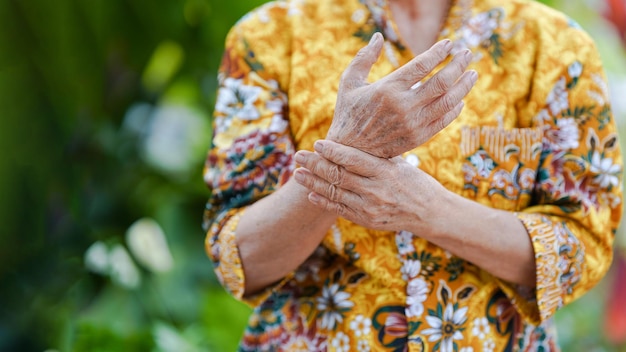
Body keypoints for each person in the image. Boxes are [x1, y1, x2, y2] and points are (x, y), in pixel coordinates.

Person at [202, 0, 623, 350]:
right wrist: (351, 146)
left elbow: (584, 247)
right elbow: (242, 259)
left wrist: (430, 210)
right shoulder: (268, 37)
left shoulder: (555, 47)